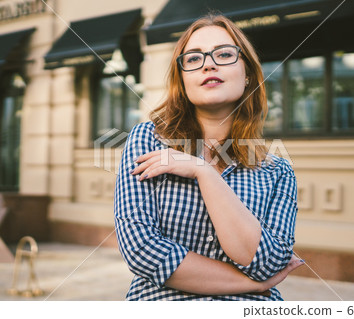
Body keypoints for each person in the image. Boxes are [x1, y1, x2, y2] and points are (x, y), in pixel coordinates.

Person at [114, 14, 302, 301]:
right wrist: (253, 285)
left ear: (248, 73)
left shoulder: (277, 170)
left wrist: (204, 172)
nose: (208, 64)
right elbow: (142, 251)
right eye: (193, 59)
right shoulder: (147, 140)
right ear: (183, 79)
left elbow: (268, 264)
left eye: (224, 54)